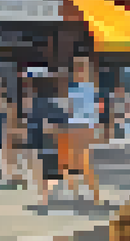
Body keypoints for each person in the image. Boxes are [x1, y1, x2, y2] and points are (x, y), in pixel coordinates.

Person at [60, 57, 103, 204]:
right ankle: (75, 193)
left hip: (84, 128)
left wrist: (94, 129)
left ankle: (95, 194)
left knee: (85, 163)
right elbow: (68, 111)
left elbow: (95, 112)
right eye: (77, 68)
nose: (78, 71)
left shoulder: (91, 90)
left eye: (81, 68)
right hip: (73, 127)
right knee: (72, 162)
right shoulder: (72, 89)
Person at [26, 76, 66, 207]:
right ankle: (50, 196)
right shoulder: (57, 105)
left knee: (45, 171)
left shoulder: (36, 105)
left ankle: (45, 198)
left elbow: (33, 124)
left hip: (42, 142)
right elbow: (64, 122)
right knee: (53, 170)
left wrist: (32, 143)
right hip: (56, 142)